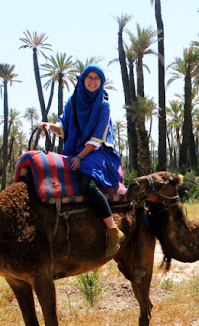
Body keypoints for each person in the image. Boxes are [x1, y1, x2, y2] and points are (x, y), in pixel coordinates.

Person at [38, 65, 125, 257]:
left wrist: (80, 157)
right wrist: (48, 125)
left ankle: (113, 230)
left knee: (88, 182)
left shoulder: (103, 105)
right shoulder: (73, 102)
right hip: (75, 150)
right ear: (83, 80)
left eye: (97, 78)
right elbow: (64, 127)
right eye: (89, 77)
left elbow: (97, 137)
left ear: (101, 82)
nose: (93, 81)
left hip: (98, 151)